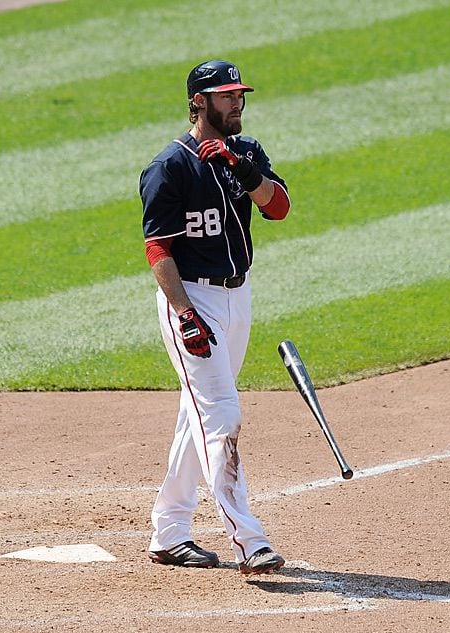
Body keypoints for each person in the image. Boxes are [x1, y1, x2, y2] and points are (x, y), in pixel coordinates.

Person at [139, 59, 290, 575]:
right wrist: (184, 314)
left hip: (238, 296)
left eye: (239, 94)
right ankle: (249, 540)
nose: (237, 103)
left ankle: (169, 531)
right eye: (226, 96)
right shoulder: (170, 167)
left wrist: (240, 167)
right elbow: (158, 249)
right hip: (192, 299)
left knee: (197, 414)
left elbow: (279, 207)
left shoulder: (244, 152)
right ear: (198, 103)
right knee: (221, 413)